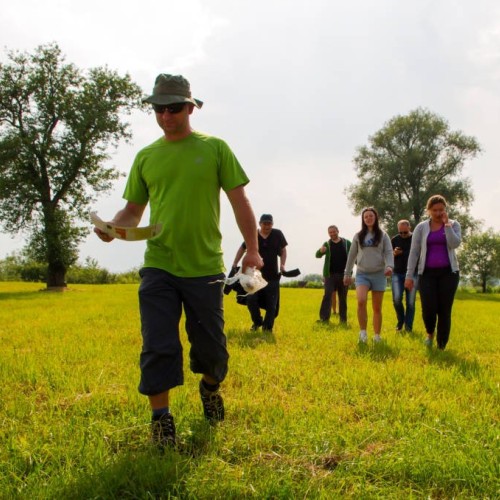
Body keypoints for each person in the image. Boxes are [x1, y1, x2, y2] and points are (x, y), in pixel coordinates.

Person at [94, 74, 262, 449]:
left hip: (204, 267)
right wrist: (113, 228)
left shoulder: (215, 148)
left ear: (190, 107)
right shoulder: (146, 156)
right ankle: (161, 421)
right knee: (158, 344)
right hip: (159, 265)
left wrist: (252, 249)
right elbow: (132, 211)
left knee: (212, 351)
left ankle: (209, 389)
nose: (166, 116)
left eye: (173, 108)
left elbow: (240, 201)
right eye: (159, 109)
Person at [405, 195, 461, 350]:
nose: (438, 213)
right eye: (434, 210)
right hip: (427, 274)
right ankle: (430, 333)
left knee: (444, 309)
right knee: (428, 308)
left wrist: (447, 225)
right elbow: (414, 252)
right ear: (428, 210)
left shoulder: (454, 224)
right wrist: (409, 275)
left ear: (445, 210)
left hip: (449, 273)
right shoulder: (421, 227)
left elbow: (455, 244)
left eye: (441, 210)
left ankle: (441, 345)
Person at [344, 207, 394, 343]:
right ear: (363, 219)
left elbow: (389, 252)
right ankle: (363, 333)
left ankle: (377, 336)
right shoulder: (358, 236)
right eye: (365, 217)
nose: (368, 218)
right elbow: (352, 255)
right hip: (362, 274)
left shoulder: (383, 235)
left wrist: (389, 266)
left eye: (371, 216)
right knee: (361, 301)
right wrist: (347, 273)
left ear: (375, 217)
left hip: (379, 274)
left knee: (377, 307)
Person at [232, 214, 287, 333]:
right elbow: (242, 248)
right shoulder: (253, 235)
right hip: (254, 276)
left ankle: (267, 328)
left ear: (272, 224)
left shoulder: (277, 234)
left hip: (272, 276)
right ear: (260, 224)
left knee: (272, 305)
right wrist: (235, 263)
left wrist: (282, 265)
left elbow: (283, 251)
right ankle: (257, 322)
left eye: (269, 224)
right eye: (265, 223)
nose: (267, 226)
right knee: (251, 299)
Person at [316, 225, 351, 323]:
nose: (332, 234)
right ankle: (324, 319)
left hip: (344, 274)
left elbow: (354, 256)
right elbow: (317, 255)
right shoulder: (327, 244)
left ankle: (343, 320)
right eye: (330, 232)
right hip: (330, 275)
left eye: (333, 232)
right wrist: (320, 251)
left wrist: (350, 273)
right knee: (327, 295)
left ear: (338, 231)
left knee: (342, 298)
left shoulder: (347, 243)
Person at [391, 220, 418, 332]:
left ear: (409, 228)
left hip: (413, 274)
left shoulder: (415, 238)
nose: (402, 235)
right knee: (396, 300)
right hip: (397, 273)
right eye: (400, 232)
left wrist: (402, 253)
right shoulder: (394, 240)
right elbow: (389, 255)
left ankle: (408, 327)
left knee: (410, 302)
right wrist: (394, 253)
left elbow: (417, 254)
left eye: (405, 232)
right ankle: (400, 321)